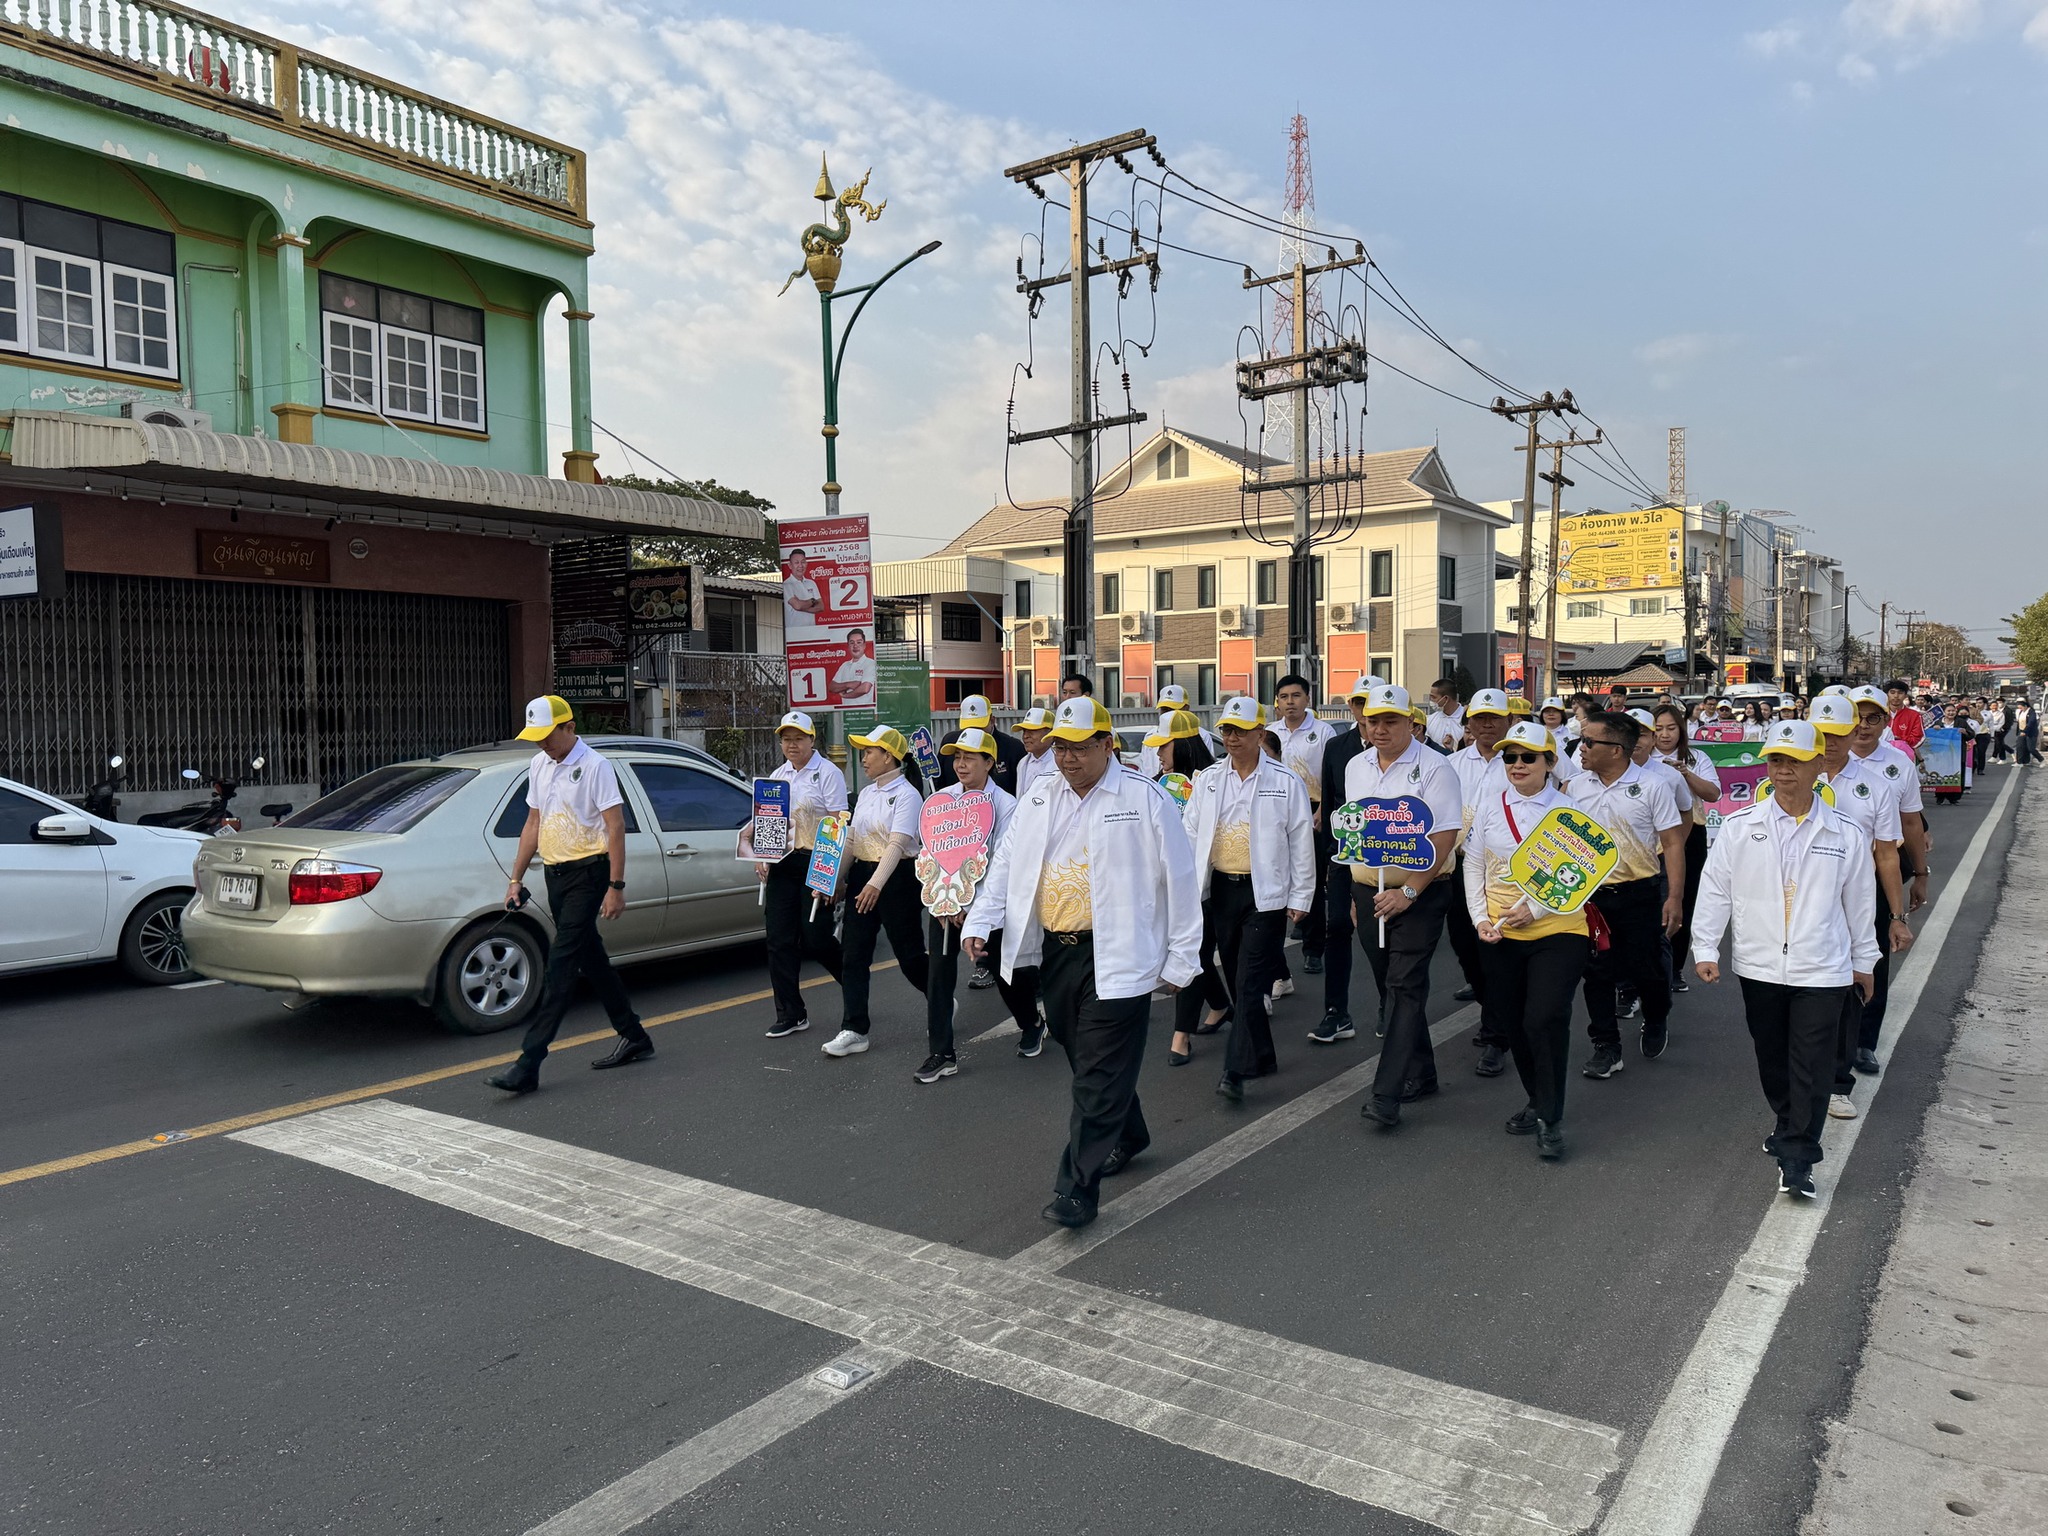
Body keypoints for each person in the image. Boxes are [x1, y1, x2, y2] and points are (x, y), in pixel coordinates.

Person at [964, 696, 1202, 1229]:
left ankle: (1077, 1189)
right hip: (1058, 951)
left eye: (1079, 748)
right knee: (1083, 1054)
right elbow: (1005, 862)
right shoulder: (1040, 798)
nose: (1068, 759)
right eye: (1060, 748)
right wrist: (982, 919)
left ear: (1105, 744)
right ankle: (1130, 1132)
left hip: (1120, 952)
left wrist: (1182, 958)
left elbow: (1181, 879)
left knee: (1095, 1073)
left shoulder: (1143, 798)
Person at [1691, 720, 1878, 1198]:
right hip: (1759, 966)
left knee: (1813, 1064)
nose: (1784, 770)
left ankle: (1798, 1155)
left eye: (1795, 761)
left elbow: (1860, 903)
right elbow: (1715, 890)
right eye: (1776, 760)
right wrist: (1706, 947)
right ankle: (1786, 1118)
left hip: (1824, 968)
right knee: (1772, 1057)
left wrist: (1865, 961)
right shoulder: (1740, 827)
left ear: (1819, 763)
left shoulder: (1846, 832)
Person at [486, 695, 653, 1094]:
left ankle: (529, 1062)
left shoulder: (595, 766)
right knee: (591, 959)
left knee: (560, 967)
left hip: (590, 873)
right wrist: (515, 878)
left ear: (569, 728)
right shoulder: (538, 765)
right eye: (536, 737)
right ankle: (635, 1036)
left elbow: (615, 827)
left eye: (548, 735)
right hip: (556, 873)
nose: (542, 743)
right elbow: (533, 823)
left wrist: (616, 887)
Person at [1174, 697, 1315, 1102]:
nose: (1232, 738)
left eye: (1240, 730)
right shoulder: (1210, 779)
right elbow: (1189, 831)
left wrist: (1302, 894)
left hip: (1264, 893)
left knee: (1250, 982)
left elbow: (1300, 841)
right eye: (1226, 731)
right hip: (1221, 888)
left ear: (1259, 732)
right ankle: (1262, 1055)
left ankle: (1233, 1071)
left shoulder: (1284, 781)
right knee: (1241, 982)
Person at [1465, 721, 1591, 1159]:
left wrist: (1535, 909)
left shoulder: (1570, 814)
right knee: (1514, 1021)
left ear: (1550, 763)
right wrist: (1481, 918)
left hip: (1559, 930)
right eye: (1509, 757)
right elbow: (1474, 865)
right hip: (1500, 933)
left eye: (1527, 757)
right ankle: (1537, 1099)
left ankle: (1551, 1119)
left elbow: (1584, 877)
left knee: (1544, 1018)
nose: (1517, 765)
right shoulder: (1488, 806)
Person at [1343, 684, 1464, 1128]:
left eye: (1390, 721)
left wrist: (1408, 892)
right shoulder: (1356, 767)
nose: (1379, 729)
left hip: (1422, 892)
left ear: (1411, 723)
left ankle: (1386, 1093)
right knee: (1389, 987)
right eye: (1372, 720)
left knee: (1405, 985)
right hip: (1368, 890)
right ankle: (1422, 1073)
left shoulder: (1436, 767)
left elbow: (1445, 835)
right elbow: (1353, 833)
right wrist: (1356, 893)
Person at [1564, 710, 1686, 1078]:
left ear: (1616, 750)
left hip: (1639, 894)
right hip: (1589, 897)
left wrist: (1675, 898)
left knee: (1645, 968)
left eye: (1589, 742)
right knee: (1597, 972)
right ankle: (1606, 1046)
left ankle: (1656, 1016)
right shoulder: (1574, 787)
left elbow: (1672, 843)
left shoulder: (1652, 787)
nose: (1581, 748)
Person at [1807, 694, 1911, 1122]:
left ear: (1854, 734)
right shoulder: (1789, 778)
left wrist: (1896, 916)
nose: (1829, 742)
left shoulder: (1878, 787)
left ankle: (1837, 1082)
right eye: (1822, 733)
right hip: (1804, 902)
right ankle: (1803, 1075)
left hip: (1858, 902)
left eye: (1838, 733)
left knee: (1853, 988)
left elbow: (1887, 855)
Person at [917, 727, 1039, 1081]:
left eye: (970, 757)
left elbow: (1002, 863)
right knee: (938, 976)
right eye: (957, 757)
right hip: (944, 907)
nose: (961, 764)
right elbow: (933, 853)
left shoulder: (1007, 806)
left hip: (988, 910)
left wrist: (973, 908)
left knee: (1006, 976)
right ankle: (941, 1053)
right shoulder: (942, 801)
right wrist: (944, 899)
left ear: (990, 762)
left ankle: (1031, 1023)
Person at [821, 726, 930, 1058]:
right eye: (864, 751)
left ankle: (938, 998)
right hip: (863, 876)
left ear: (889, 756)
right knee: (852, 955)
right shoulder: (866, 794)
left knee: (909, 955)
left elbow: (897, 845)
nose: (864, 757)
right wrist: (835, 880)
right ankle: (854, 1029)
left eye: (870, 751)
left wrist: (875, 884)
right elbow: (852, 841)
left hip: (897, 880)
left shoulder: (909, 795)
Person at [757, 710, 847, 1039]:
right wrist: (762, 855)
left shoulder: (827, 773)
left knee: (817, 939)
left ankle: (854, 988)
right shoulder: (778, 774)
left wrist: (834, 873)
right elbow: (770, 821)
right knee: (779, 940)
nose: (792, 745)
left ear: (812, 739)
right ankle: (791, 1013)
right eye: (786, 739)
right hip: (783, 863)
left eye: (798, 738)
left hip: (816, 861)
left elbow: (838, 822)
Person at [1444, 687, 1515, 1064]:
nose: (1486, 725)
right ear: (1468, 722)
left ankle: (1496, 1034)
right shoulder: (1452, 764)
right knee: (1465, 946)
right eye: (1479, 718)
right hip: (1459, 868)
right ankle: (1495, 1009)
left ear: (1509, 720)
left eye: (1494, 718)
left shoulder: (1519, 760)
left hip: (1503, 874)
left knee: (1494, 951)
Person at [1309, 676, 1377, 1046]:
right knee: (1336, 927)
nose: (1365, 711)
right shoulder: (1337, 747)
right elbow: (1330, 804)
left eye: (1371, 703)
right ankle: (1336, 1013)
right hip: (1342, 855)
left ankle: (1390, 1005)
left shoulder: (1403, 749)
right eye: (1358, 702)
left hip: (1387, 860)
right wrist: (1329, 857)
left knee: (1379, 937)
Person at [1269, 673, 1337, 976]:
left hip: (1313, 809)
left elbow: (1330, 775)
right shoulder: (1270, 733)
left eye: (1295, 696)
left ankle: (1313, 949)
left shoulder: (1323, 732)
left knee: (1310, 877)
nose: (1290, 702)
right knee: (1280, 876)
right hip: (1278, 809)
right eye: (1284, 697)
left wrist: (1323, 808)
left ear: (1307, 699)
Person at [1651, 702, 1720, 992]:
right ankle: (1648, 967)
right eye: (1658, 729)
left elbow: (1714, 793)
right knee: (1651, 900)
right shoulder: (1641, 758)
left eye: (1671, 728)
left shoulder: (1697, 757)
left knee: (1684, 899)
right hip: (1651, 838)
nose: (1665, 735)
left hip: (1690, 835)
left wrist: (1685, 773)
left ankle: (1675, 967)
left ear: (1682, 729)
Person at [935, 693, 1026, 797]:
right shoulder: (950, 742)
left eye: (979, 727)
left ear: (992, 720)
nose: (974, 732)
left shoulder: (1013, 748)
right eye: (969, 727)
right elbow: (938, 780)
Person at [781, 547, 828, 638]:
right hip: (794, 633)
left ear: (806, 564)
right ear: (790, 565)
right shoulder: (787, 585)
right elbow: (797, 605)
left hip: (812, 632)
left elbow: (821, 607)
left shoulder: (811, 583)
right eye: (796, 562)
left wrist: (802, 606)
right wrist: (812, 601)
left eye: (803, 562)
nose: (800, 566)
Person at [1015, 705, 1060, 796]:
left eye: (1032, 731)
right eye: (1024, 731)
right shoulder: (1022, 763)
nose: (1025, 736)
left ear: (1050, 733)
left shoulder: (1059, 764)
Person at [832, 627, 876, 705]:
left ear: (864, 645)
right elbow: (832, 687)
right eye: (852, 643)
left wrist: (845, 695)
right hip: (845, 713)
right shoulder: (845, 665)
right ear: (848, 646)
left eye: (859, 642)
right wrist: (848, 684)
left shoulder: (870, 663)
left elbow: (865, 688)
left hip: (865, 712)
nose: (855, 646)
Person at [1884, 680, 1925, 757]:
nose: (1896, 696)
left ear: (1906, 696)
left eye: (1900, 693)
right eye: (1892, 692)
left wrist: (1899, 740)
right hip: (1880, 755)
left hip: (1905, 757)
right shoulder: (1879, 714)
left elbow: (1918, 739)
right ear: (1887, 694)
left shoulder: (1914, 715)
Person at [1425, 677, 1465, 752]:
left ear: (1446, 699)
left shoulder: (1466, 718)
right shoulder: (1430, 720)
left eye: (1433, 697)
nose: (1431, 701)